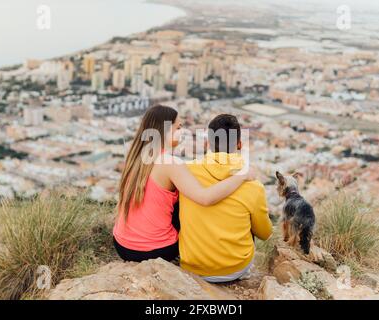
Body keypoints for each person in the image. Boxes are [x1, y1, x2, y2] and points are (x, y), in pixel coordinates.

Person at [113, 106, 255, 262]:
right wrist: (241, 176)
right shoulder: (170, 163)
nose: (183, 132)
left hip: (121, 245)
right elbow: (205, 198)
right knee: (190, 203)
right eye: (178, 127)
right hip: (155, 251)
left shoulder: (136, 156)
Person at [179, 114, 273, 282]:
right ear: (239, 144)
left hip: (191, 264)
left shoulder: (185, 172)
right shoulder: (253, 185)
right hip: (234, 269)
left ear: (208, 143)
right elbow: (265, 233)